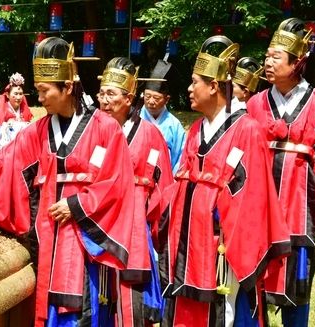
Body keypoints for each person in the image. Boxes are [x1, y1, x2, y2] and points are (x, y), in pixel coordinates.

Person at [0, 37, 142, 327]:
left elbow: (117, 181)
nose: (40, 98)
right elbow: (6, 163)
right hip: (46, 237)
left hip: (83, 240)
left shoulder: (106, 129)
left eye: (45, 91)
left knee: (83, 313)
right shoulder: (39, 131)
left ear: (67, 87)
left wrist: (77, 204)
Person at [157, 35, 290, 326]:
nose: (189, 89)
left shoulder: (248, 130)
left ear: (214, 86)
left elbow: (251, 196)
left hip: (221, 250)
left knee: (224, 313)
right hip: (187, 243)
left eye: (195, 82)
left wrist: (219, 222)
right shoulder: (195, 130)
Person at [247, 18, 315, 327]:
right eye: (267, 55)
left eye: (276, 56)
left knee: (296, 289)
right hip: (259, 212)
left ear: (297, 61)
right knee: (252, 288)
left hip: (298, 210)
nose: (268, 61)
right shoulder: (254, 104)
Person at [97, 57, 174, 325]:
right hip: (97, 233)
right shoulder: (92, 132)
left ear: (129, 98)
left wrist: (157, 239)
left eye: (111, 94)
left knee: (133, 309)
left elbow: (164, 193)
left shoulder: (151, 135)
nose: (104, 100)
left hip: (137, 235)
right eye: (101, 93)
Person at [139, 60, 186, 173]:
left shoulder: (174, 125)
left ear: (166, 99)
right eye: (147, 96)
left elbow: (179, 156)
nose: (150, 101)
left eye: (156, 98)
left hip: (165, 179)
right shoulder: (134, 119)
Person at [0, 72, 33, 152]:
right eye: (15, 94)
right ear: (8, 95)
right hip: (5, 144)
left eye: (20, 94)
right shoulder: (1, 110)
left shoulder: (24, 110)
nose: (18, 97)